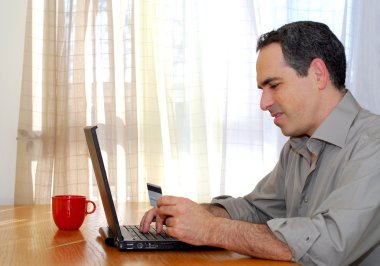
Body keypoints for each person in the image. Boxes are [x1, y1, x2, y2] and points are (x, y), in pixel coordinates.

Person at [139, 21, 380, 265]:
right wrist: (192, 214)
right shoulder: (298, 146)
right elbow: (258, 210)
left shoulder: (374, 145)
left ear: (318, 74)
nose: (263, 103)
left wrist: (211, 229)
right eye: (262, 89)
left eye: (274, 85)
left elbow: (328, 246)